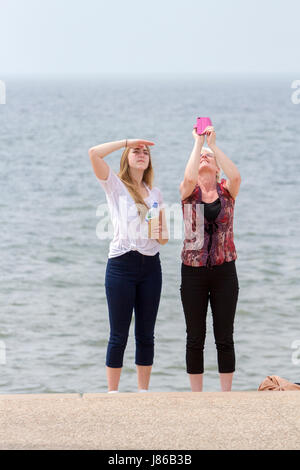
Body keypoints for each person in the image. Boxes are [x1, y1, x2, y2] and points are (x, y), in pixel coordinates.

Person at [89, 139, 169, 393]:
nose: (142, 154)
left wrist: (155, 229)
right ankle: (112, 393)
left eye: (145, 152)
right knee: (118, 334)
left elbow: (164, 237)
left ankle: (142, 393)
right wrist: (127, 141)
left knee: (146, 334)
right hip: (121, 265)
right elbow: (94, 154)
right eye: (136, 151)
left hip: (150, 267)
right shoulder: (115, 185)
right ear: (126, 157)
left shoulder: (154, 193)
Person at [179, 126, 241, 392]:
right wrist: (198, 144)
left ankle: (226, 395)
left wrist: (213, 147)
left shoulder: (227, 190)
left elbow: (236, 174)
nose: (204, 159)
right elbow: (188, 176)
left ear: (217, 170)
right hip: (192, 272)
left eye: (209, 159)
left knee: (224, 336)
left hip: (225, 271)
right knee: (195, 337)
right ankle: (197, 396)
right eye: (201, 158)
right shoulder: (188, 192)